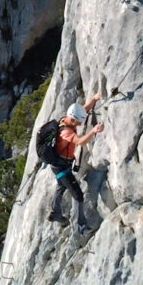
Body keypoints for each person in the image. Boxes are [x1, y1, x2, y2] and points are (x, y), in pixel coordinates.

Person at [47, 94, 105, 233]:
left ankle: (55, 212)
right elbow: (80, 142)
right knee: (78, 194)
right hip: (61, 167)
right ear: (72, 120)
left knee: (61, 186)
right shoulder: (66, 132)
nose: (80, 124)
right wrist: (93, 131)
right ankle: (81, 226)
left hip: (60, 164)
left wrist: (95, 99)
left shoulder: (66, 120)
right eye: (78, 122)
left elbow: (83, 110)